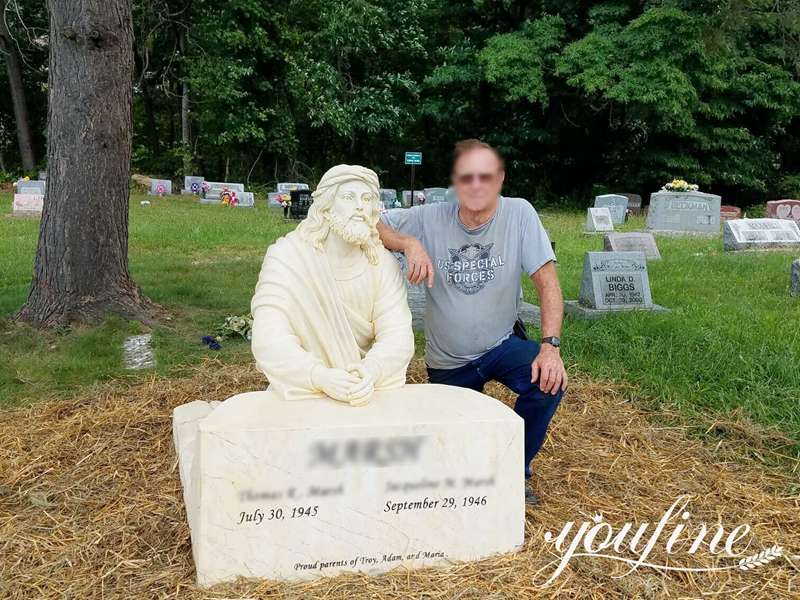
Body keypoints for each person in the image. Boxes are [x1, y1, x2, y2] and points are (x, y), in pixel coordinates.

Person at [377, 139, 567, 504]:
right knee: (453, 467)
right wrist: (408, 244)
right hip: (449, 362)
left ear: (500, 179)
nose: (476, 185)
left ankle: (515, 468)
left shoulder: (519, 214)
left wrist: (550, 347)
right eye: (467, 177)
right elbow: (374, 224)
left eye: (486, 176)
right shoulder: (429, 217)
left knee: (548, 382)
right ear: (456, 183)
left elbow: (548, 283)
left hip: (500, 344)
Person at [250, 164, 414, 405]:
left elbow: (398, 335)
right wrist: (319, 377)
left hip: (364, 391)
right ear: (326, 207)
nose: (360, 206)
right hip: (304, 394)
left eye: (366, 198)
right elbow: (269, 337)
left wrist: (371, 371)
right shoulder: (288, 258)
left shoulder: (381, 265)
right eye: (348, 197)